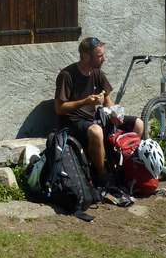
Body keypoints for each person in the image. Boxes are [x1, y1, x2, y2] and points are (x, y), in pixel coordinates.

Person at [54, 36, 144, 186]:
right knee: (96, 131)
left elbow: (108, 101)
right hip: (73, 123)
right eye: (100, 56)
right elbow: (59, 108)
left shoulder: (97, 73)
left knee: (138, 124)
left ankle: (127, 169)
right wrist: (85, 101)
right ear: (86, 56)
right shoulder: (67, 75)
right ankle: (102, 176)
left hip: (93, 119)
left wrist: (115, 114)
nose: (104, 59)